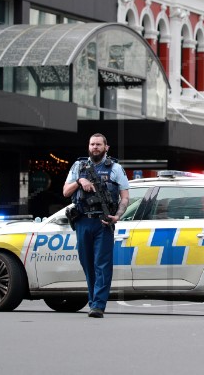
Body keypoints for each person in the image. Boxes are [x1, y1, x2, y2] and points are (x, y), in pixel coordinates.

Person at [63, 133, 130, 318]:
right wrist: (79, 181)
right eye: (92, 144)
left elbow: (124, 197)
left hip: (103, 222)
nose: (95, 147)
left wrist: (116, 216)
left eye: (99, 144)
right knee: (87, 264)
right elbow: (65, 192)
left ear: (106, 148)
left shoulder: (115, 168)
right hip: (83, 221)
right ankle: (93, 301)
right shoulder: (78, 166)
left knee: (102, 264)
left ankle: (98, 305)